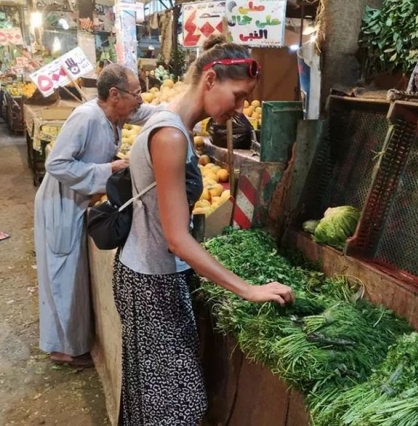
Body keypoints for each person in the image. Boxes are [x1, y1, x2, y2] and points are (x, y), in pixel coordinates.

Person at [114, 35, 294, 424]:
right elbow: (178, 239)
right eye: (239, 95)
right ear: (210, 80)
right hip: (150, 282)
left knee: (155, 397)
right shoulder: (171, 136)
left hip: (153, 274)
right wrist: (248, 289)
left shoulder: (174, 124)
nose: (241, 108)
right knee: (179, 405)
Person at [33, 64, 164, 368]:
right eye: (136, 93)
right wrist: (109, 170)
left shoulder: (119, 112)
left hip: (79, 201)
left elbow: (148, 113)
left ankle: (71, 341)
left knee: (72, 276)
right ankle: (62, 348)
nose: (140, 99)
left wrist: (184, 112)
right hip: (60, 204)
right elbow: (57, 164)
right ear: (114, 95)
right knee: (63, 276)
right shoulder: (87, 117)